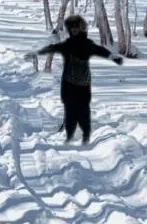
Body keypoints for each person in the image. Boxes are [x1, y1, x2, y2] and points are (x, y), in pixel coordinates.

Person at [36, 13, 123, 145]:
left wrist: (113, 57)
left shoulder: (87, 44)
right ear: (70, 30)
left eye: (77, 27)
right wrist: (37, 52)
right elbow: (53, 48)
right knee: (69, 109)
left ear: (82, 29)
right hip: (68, 83)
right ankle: (69, 135)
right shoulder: (67, 44)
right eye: (72, 28)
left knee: (83, 110)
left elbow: (101, 50)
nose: (75, 30)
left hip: (83, 84)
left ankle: (86, 137)